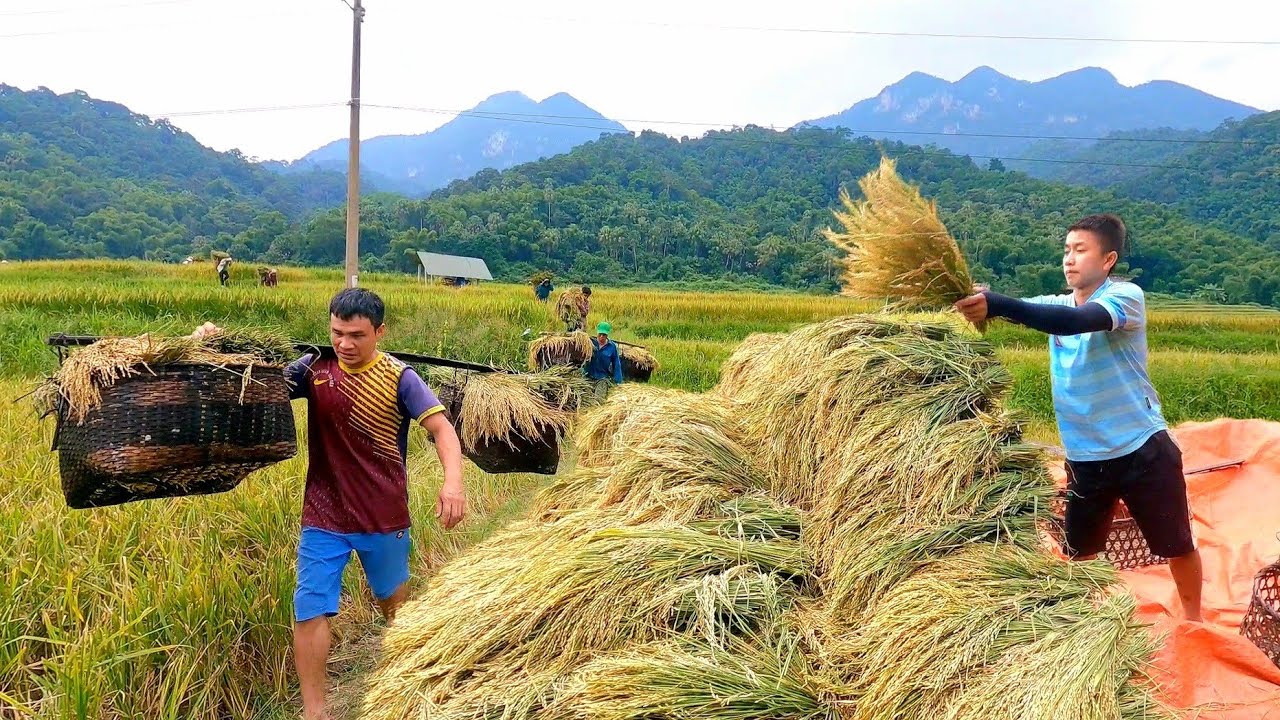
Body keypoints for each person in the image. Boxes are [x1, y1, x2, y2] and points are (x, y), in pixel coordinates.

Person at [192, 287, 466, 720]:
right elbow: (252, 380)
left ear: (380, 331)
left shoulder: (400, 377)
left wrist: (453, 484)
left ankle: (405, 691)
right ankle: (315, 712)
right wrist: (214, 341)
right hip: (323, 514)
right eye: (337, 333)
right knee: (311, 606)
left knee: (396, 608)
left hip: (383, 514)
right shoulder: (312, 369)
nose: (345, 344)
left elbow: (442, 431)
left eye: (356, 335)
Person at [953, 213, 1203, 622]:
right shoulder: (1056, 305)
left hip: (1141, 448)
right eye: (1066, 251)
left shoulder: (1125, 297)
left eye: (1080, 250)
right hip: (1086, 458)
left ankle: (1194, 621)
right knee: (1080, 552)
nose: (1069, 259)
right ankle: (1084, 626)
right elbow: (1035, 311)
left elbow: (1073, 324)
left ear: (1107, 260)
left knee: (1176, 544)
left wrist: (997, 304)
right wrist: (981, 300)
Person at [585, 321, 623, 398]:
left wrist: (618, 381)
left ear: (607, 335)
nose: (601, 337)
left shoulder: (611, 347)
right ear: (597, 333)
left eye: (604, 335)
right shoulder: (590, 342)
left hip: (601, 378)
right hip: (588, 376)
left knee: (598, 398)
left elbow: (616, 364)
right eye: (600, 334)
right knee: (585, 398)